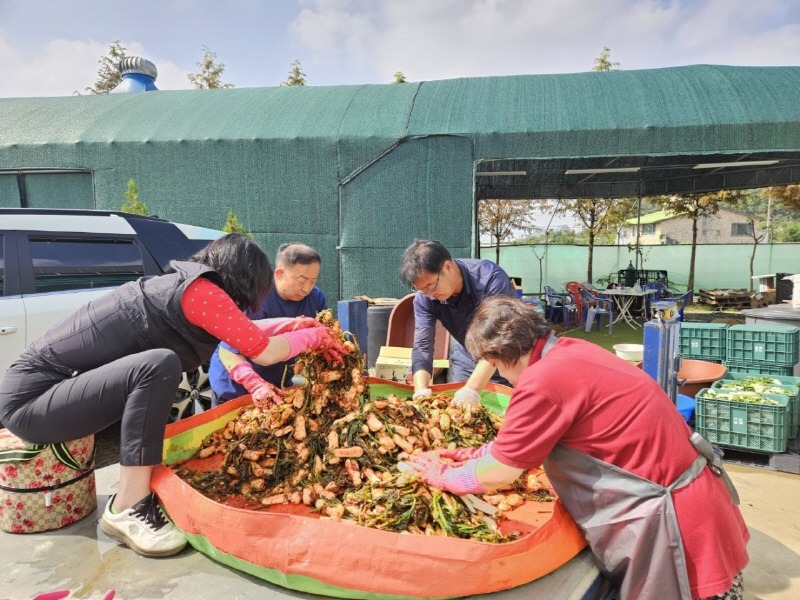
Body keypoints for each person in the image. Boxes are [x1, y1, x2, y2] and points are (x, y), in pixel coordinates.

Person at [0, 234, 346, 559]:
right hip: (33, 401)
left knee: (156, 365)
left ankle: (133, 496)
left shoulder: (191, 287)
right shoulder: (202, 292)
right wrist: (316, 339)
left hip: (48, 393)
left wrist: (297, 326)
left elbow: (246, 334)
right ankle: (127, 508)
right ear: (246, 277)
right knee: (158, 365)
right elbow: (264, 352)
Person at [402, 296, 749, 600]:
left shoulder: (541, 381)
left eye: (492, 364)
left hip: (676, 528)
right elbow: (518, 444)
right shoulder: (573, 350)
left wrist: (445, 475)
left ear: (501, 355)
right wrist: (471, 455)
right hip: (701, 500)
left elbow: (502, 473)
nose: (498, 376)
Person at [398, 239, 518, 405]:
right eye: (422, 290)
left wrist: (473, 389)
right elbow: (422, 346)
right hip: (468, 359)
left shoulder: (490, 279)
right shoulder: (424, 299)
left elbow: (497, 340)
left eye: (431, 286)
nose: (429, 295)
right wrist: (420, 390)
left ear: (447, 267)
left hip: (508, 359)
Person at [209, 242, 328, 405]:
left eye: (313, 281)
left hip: (278, 387)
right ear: (279, 273)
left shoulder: (316, 299)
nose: (306, 288)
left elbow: (325, 341)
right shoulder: (254, 296)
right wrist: (255, 385)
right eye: (301, 281)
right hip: (234, 388)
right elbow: (227, 349)